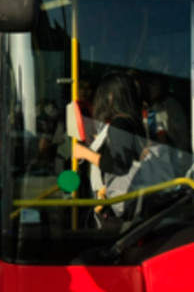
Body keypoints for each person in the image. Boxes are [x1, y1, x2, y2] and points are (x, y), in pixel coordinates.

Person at [71, 73, 168, 219]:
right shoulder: (133, 122)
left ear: (111, 96)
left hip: (125, 204)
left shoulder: (120, 124)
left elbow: (118, 165)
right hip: (137, 199)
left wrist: (84, 153)